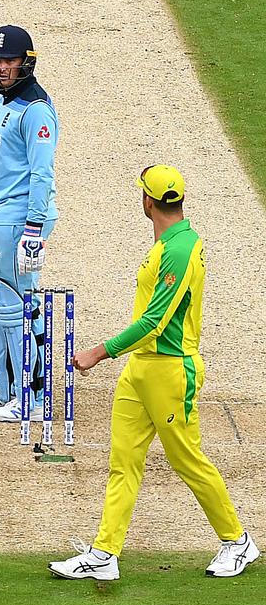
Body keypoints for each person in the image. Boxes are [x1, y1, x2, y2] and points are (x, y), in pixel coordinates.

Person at [49, 166, 259, 580]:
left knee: (187, 460)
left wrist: (98, 352)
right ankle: (104, 554)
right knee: (123, 461)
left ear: (148, 202)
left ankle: (237, 542)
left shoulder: (179, 250)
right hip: (140, 370)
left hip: (170, 371)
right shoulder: (168, 244)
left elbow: (155, 321)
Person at [0, 25, 59, 422]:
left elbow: (42, 175)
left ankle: (34, 401)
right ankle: (9, 390)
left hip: (20, 219)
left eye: (9, 60)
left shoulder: (36, 111)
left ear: (26, 62)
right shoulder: (4, 102)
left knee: (16, 306)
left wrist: (33, 229)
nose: (2, 67)